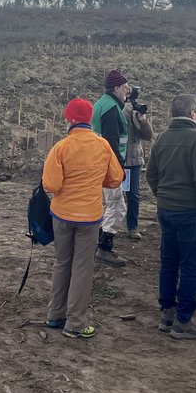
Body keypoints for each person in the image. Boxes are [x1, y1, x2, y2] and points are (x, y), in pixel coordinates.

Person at [42, 99, 124, 339]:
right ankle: (76, 322)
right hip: (89, 217)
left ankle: (55, 314)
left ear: (69, 120)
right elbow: (115, 178)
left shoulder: (60, 147)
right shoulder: (103, 145)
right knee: (82, 268)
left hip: (61, 215)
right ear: (90, 120)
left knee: (61, 262)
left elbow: (50, 184)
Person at [146, 94, 196, 340]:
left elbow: (151, 174)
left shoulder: (162, 138)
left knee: (169, 261)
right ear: (193, 113)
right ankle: (184, 321)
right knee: (192, 265)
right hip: (191, 212)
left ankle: (167, 313)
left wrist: (162, 195)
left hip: (166, 210)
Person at [92, 70, 131, 266]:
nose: (128, 91)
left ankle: (97, 244)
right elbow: (112, 143)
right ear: (116, 88)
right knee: (117, 206)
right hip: (109, 166)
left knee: (109, 205)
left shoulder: (102, 104)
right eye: (125, 87)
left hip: (99, 164)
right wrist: (118, 169)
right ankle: (104, 248)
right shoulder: (111, 109)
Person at [123, 86, 154, 241]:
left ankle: (132, 226)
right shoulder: (119, 110)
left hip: (134, 159)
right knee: (118, 194)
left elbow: (149, 135)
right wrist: (126, 111)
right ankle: (114, 223)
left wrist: (141, 119)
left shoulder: (136, 114)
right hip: (120, 158)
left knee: (133, 194)